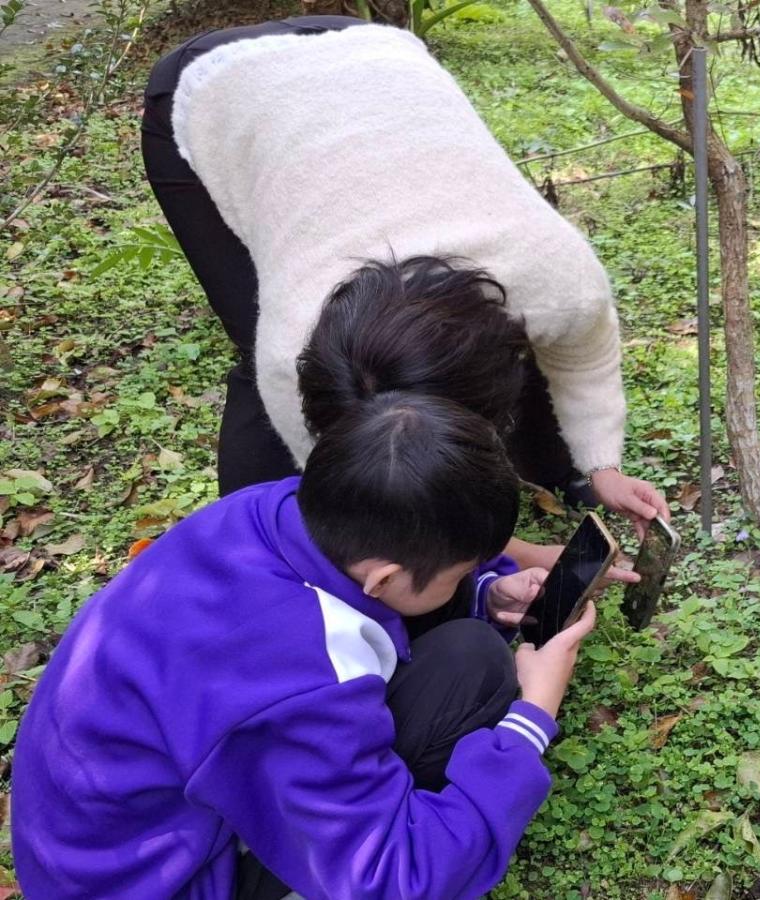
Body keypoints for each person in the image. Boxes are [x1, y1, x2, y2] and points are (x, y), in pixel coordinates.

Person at [12, 392, 595, 898]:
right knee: (477, 672)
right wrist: (531, 722)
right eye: (458, 573)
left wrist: (484, 596)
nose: (466, 578)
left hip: (94, 847)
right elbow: (395, 879)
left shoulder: (270, 509)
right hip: (172, 883)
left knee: (469, 654)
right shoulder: (298, 680)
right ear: (384, 579)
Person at [140, 17, 669, 539]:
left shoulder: (557, 277)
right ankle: (251, 545)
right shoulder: (292, 350)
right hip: (211, 86)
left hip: (372, 56)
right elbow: (344, 475)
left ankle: (552, 469)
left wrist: (604, 467)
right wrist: (494, 553)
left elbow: (585, 358)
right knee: (248, 334)